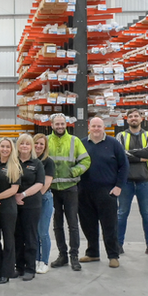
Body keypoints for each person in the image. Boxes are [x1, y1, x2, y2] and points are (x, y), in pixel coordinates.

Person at [78, 117, 128, 269]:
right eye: (93, 126)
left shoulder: (113, 144)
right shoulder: (82, 143)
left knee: (109, 225)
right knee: (88, 224)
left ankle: (113, 255)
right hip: (84, 191)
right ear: (89, 127)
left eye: (99, 126)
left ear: (104, 127)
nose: (96, 129)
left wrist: (119, 186)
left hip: (107, 192)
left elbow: (124, 166)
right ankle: (93, 253)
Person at [115, 109, 148, 258]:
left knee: (147, 215)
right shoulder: (121, 136)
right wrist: (139, 157)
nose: (133, 118)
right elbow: (120, 154)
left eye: (136, 116)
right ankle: (118, 245)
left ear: (141, 118)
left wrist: (131, 154)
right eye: (131, 117)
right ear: (127, 120)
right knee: (122, 214)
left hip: (144, 181)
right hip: (126, 181)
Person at [47, 114, 90, 271]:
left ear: (66, 125)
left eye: (62, 124)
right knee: (57, 224)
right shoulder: (45, 141)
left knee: (73, 224)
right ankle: (62, 255)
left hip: (70, 188)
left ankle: (74, 256)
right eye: (57, 124)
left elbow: (86, 160)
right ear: (51, 125)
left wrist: (75, 171)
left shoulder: (74, 141)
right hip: (52, 190)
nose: (60, 126)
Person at [0, 138, 21, 284]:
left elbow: (14, 189)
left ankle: (7, 272)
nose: (5, 149)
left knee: (8, 240)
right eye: (2, 146)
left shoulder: (14, 166)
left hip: (8, 208)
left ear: (11, 149)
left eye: (8, 147)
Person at [14, 134, 45, 281]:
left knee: (30, 236)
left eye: (27, 144)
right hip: (14, 204)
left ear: (31, 146)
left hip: (31, 205)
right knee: (17, 236)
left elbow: (40, 184)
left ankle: (30, 268)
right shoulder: (13, 162)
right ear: (18, 146)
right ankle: (19, 266)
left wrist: (23, 195)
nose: (24, 146)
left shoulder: (37, 163)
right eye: (22, 144)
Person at [34, 134, 54, 274]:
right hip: (30, 200)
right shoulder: (27, 160)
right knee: (33, 232)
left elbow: (45, 184)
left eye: (42, 144)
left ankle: (44, 261)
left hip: (43, 199)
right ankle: (35, 259)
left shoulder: (48, 162)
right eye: (36, 143)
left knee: (42, 232)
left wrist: (30, 197)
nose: (38, 146)